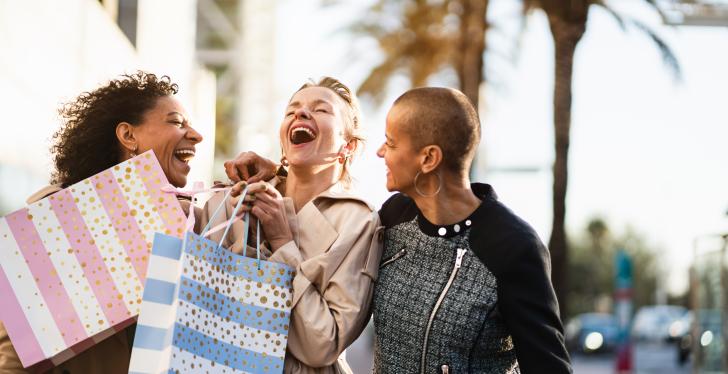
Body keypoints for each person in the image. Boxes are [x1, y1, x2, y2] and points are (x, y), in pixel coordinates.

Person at [0, 71, 203, 373]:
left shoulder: (196, 224)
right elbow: (16, 348)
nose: (196, 134)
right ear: (128, 136)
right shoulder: (59, 216)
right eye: (176, 122)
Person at [372, 87, 571, 373]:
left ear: (428, 158)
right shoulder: (392, 217)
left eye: (390, 143)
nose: (380, 152)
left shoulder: (513, 246)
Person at [202, 77, 382, 373]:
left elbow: (322, 345)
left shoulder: (359, 220)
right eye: (291, 110)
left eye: (322, 110)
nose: (301, 113)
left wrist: (283, 242)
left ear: (347, 146)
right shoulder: (234, 197)